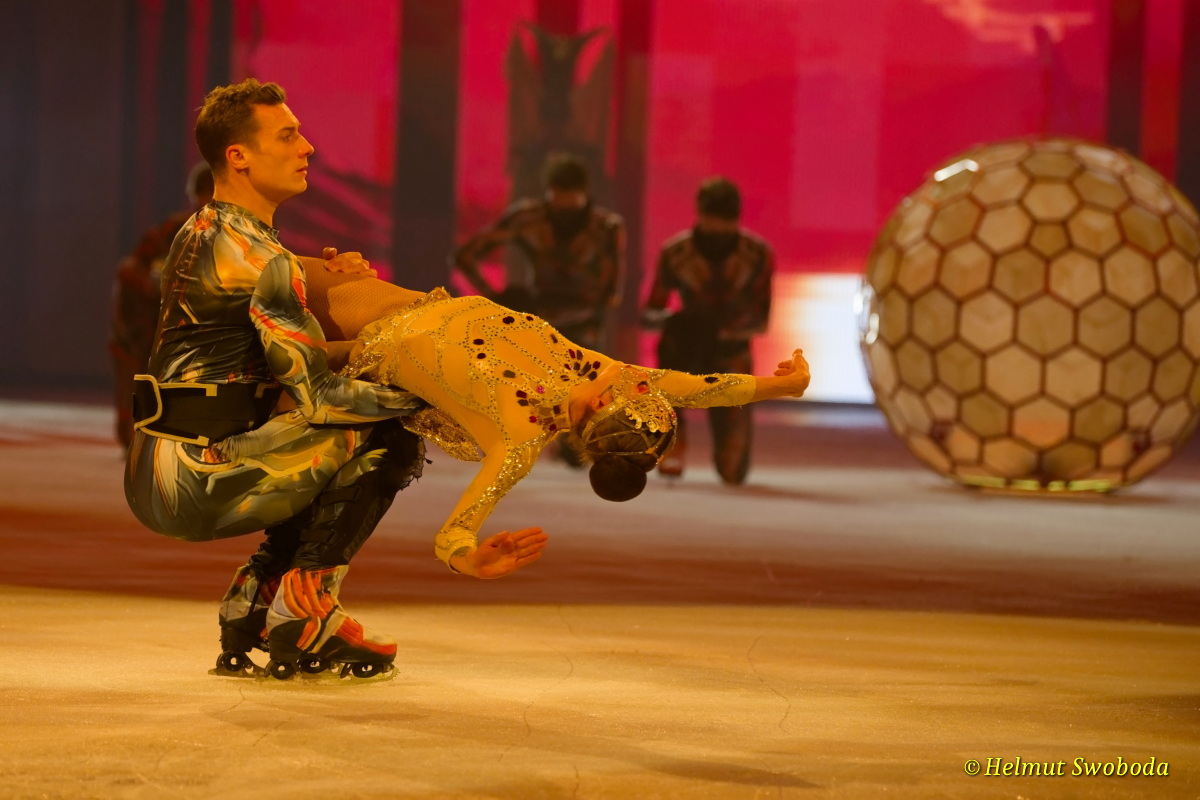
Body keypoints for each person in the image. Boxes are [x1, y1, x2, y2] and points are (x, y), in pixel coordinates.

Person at [123, 78, 430, 680]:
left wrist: (348, 316)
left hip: (158, 465)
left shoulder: (206, 231)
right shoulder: (262, 259)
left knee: (318, 434)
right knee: (387, 430)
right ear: (238, 155)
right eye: (288, 135)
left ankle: (255, 600)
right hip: (199, 476)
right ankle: (305, 611)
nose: (307, 147)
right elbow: (320, 397)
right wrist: (421, 394)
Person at [224, 268, 811, 579]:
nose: (640, 377)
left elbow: (458, 528)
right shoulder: (589, 370)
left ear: (603, 410)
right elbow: (696, 386)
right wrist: (778, 386)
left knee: (242, 313)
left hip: (357, 349)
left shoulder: (519, 439)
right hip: (397, 303)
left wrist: (469, 558)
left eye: (634, 390)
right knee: (245, 267)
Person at [643, 177, 775, 485]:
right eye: (713, 218)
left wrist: (721, 331)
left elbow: (760, 319)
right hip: (684, 348)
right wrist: (681, 322)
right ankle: (673, 440)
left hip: (731, 352)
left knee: (732, 471)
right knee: (667, 365)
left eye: (726, 220)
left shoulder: (757, 255)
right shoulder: (676, 253)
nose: (718, 228)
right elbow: (651, 311)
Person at [450, 152, 624, 352]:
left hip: (581, 332)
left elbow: (611, 293)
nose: (564, 220)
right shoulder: (529, 220)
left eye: (570, 211)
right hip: (538, 327)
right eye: (560, 210)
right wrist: (497, 300)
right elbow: (465, 256)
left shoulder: (605, 228)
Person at [109, 163, 213, 449]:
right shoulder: (178, 229)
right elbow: (133, 270)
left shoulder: (236, 235)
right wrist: (156, 287)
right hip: (150, 331)